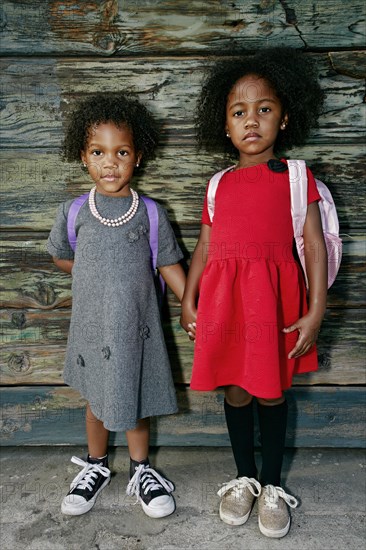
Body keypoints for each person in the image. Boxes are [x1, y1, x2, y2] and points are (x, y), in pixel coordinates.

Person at [180, 48, 327, 538]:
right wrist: (188, 297)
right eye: (239, 112)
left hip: (275, 305)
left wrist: (315, 313)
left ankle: (270, 485)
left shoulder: (296, 177)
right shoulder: (217, 184)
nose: (251, 121)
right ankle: (243, 476)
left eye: (264, 109)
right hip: (226, 305)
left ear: (283, 118)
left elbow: (311, 245)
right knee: (237, 389)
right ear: (224, 125)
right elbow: (204, 245)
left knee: (271, 390)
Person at [47, 93, 186, 518]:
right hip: (93, 328)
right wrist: (93, 277)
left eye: (121, 152)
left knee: (133, 401)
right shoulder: (74, 212)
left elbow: (167, 264)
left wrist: (193, 305)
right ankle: (96, 465)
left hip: (133, 328)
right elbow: (61, 255)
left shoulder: (151, 213)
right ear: (84, 157)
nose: (110, 162)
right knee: (95, 401)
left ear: (137, 156)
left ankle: (141, 470)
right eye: (98, 152)